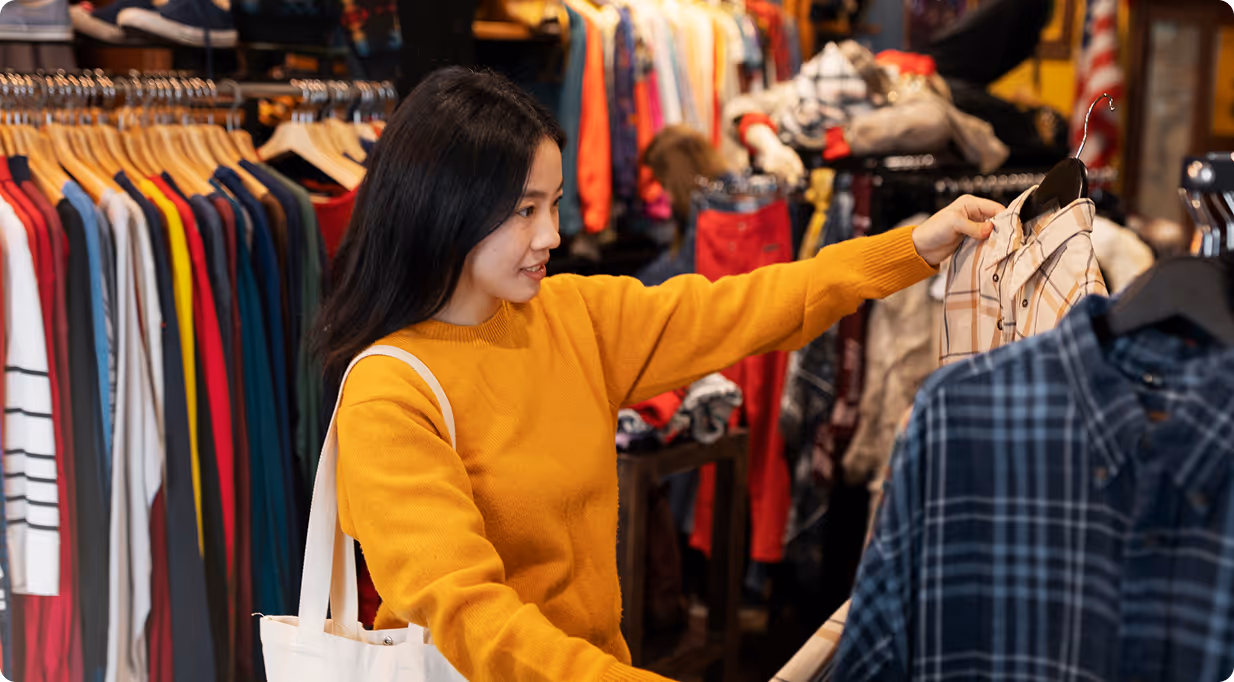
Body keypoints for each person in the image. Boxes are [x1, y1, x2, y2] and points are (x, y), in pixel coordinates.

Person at [312, 67, 1003, 682]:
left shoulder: (571, 315)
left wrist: (912, 247)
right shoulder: (392, 394)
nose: (551, 234)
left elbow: (746, 306)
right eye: (526, 210)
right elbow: (468, 616)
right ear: (445, 206)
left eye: (553, 204)